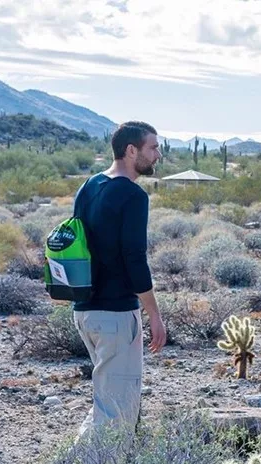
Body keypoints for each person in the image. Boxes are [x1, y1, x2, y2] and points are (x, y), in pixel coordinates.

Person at [72, 121, 167, 440]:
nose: (157, 154)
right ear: (131, 150)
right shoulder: (133, 196)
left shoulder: (89, 186)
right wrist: (153, 313)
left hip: (86, 310)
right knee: (118, 412)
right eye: (153, 147)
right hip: (114, 316)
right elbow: (134, 257)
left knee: (105, 402)